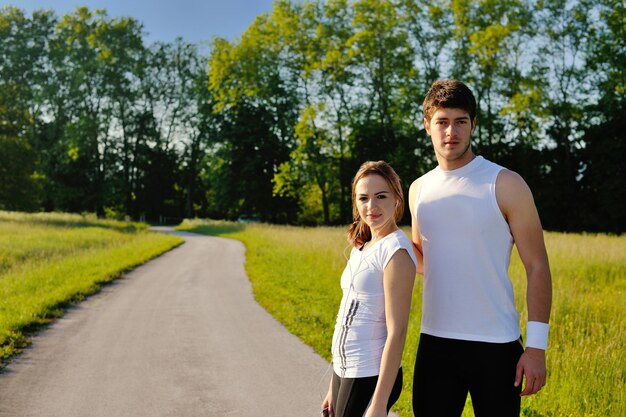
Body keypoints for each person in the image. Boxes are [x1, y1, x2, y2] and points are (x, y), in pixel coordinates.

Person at [409, 80, 552, 416]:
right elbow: (424, 261)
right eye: (442, 121)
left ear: (473, 124)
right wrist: (382, 238)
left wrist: (536, 348)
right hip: (436, 343)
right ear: (427, 124)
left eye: (460, 121)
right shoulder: (418, 190)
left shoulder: (505, 183)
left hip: (496, 346)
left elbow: (537, 267)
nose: (451, 132)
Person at [322, 161, 418, 417]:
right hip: (346, 370)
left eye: (381, 196)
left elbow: (397, 332)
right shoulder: (363, 245)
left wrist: (378, 402)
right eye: (363, 198)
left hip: (368, 372)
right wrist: (334, 385)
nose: (371, 206)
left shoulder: (395, 251)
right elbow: (347, 316)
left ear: (397, 199)